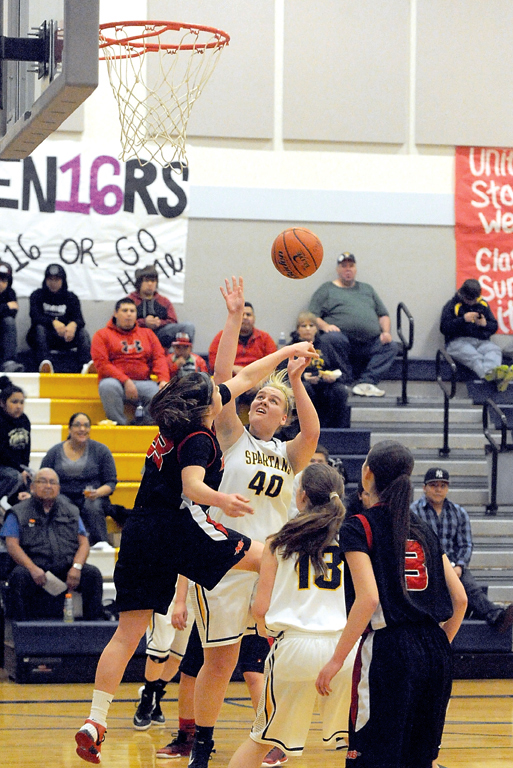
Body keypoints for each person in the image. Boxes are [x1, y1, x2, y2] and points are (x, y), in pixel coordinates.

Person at [75, 277, 318, 765]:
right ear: (209, 405)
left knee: (128, 633)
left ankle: (96, 717)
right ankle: (263, 626)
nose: (231, 393)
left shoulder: (176, 423)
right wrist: (221, 501)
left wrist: (243, 326)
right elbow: (192, 486)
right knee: (263, 566)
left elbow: (243, 377)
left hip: (142, 531)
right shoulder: (209, 436)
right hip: (189, 529)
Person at [185, 283, 320, 768]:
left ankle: (269, 741)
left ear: (282, 416)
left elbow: (313, 433)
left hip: (270, 569)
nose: (262, 400)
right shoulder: (231, 434)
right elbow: (223, 376)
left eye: (272, 400)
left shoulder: (288, 453)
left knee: (273, 660)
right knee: (219, 662)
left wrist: (296, 382)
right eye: (259, 396)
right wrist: (234, 318)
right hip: (225, 563)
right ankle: (202, 742)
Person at [315, 441, 467, 768]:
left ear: (367, 472)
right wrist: (435, 648)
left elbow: (368, 599)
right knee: (419, 760)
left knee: (372, 758)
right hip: (436, 650)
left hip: (391, 649)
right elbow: (461, 599)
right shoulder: (424, 528)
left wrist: (336, 660)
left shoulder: (360, 525)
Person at [228, 462, 355, 768]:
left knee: (261, 740)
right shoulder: (350, 539)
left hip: (294, 648)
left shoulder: (277, 540)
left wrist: (262, 628)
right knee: (359, 742)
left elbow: (261, 607)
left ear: (301, 497)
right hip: (343, 650)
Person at [411, 467, 513, 634]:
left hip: (453, 566)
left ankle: (497, 616)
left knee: (470, 586)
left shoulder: (458, 512)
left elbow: (466, 545)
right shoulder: (414, 512)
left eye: (443, 485)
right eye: (434, 485)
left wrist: (459, 566)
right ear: (424, 488)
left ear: (447, 488)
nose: (438, 489)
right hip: (425, 566)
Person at [0, 467, 103, 621]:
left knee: (92, 574)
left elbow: (84, 544)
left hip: (66, 568)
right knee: (18, 577)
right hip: (33, 569)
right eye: (42, 481)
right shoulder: (18, 512)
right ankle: (19, 632)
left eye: (52, 482)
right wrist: (32, 569)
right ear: (32, 487)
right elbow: (12, 545)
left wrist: (76, 567)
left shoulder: (72, 511)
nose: (48, 486)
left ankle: (93, 630)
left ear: (58, 488)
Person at [309, 252, 397, 397]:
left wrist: (386, 332)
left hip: (370, 342)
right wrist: (325, 326)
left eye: (351, 266)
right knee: (330, 338)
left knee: (391, 346)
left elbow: (383, 315)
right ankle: (346, 382)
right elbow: (311, 314)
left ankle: (366, 383)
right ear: (338, 270)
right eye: (344, 266)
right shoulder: (327, 289)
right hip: (342, 341)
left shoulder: (367, 289)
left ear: (355, 269)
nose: (347, 269)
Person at [40, 413, 117, 546]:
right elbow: (43, 477)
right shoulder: (54, 452)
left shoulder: (101, 450)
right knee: (61, 503)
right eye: (77, 425)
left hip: (94, 497)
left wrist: (97, 493)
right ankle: (63, 544)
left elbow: (111, 482)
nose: (82, 429)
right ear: (69, 429)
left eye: (86, 425)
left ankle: (100, 543)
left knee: (92, 505)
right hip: (63, 495)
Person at [90, 297, 170, 425]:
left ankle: (146, 423)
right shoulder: (102, 335)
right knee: (107, 386)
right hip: (115, 383)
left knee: (161, 392)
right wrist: (125, 380)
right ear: (115, 314)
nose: (128, 314)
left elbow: (159, 358)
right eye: (124, 310)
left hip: (143, 382)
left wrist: (163, 379)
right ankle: (120, 424)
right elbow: (102, 364)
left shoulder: (148, 334)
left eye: (132, 311)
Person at [282, 311, 349, 429]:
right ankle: (304, 428)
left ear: (316, 329)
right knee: (304, 388)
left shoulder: (326, 346)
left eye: (311, 325)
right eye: (303, 326)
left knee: (340, 391)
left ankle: (335, 430)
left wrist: (333, 377)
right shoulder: (291, 348)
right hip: (302, 384)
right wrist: (301, 377)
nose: (307, 329)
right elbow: (282, 374)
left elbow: (342, 371)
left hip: (325, 385)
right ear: (298, 330)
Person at [440, 278, 509, 390]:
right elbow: (444, 328)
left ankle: (493, 374)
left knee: (494, 350)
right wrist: (463, 319)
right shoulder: (452, 305)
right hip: (457, 342)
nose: (472, 302)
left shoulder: (483, 304)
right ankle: (492, 378)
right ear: (462, 295)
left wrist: (485, 324)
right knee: (473, 356)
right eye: (469, 299)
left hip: (481, 341)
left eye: (474, 299)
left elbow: (494, 326)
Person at [26, 263, 91, 374]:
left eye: (57, 279)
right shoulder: (37, 295)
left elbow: (80, 320)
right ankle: (45, 364)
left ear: (63, 280)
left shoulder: (71, 297)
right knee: (39, 328)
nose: (53, 283)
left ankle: (86, 365)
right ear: (45, 280)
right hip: (43, 337)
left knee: (83, 333)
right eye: (50, 279)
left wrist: (73, 324)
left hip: (65, 337)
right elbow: (35, 317)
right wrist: (53, 322)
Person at [128, 263, 195, 349]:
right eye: (146, 280)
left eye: (153, 281)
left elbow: (173, 322)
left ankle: (185, 358)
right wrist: (144, 322)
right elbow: (122, 323)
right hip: (137, 335)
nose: (150, 284)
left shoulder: (163, 301)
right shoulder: (130, 301)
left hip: (160, 335)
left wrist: (159, 323)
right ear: (139, 282)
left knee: (188, 326)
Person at [208, 301, 277, 374]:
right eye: (241, 314)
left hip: (258, 379)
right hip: (230, 379)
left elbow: (273, 364)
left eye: (248, 314)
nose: (245, 317)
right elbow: (214, 364)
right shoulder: (222, 337)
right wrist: (235, 370)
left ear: (254, 318)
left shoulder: (265, 338)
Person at [0, 376, 31, 509]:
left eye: (21, 402)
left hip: (16, 465)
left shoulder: (24, 420)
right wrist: (20, 469)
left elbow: (26, 448)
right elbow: (2, 452)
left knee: (35, 477)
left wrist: (25, 468)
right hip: (3, 464)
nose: (18, 406)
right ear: (2, 403)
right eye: (14, 402)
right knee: (15, 477)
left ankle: (20, 508)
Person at [0, 261, 23, 372]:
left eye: (4, 281)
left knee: (9, 322)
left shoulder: (10, 293)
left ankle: (9, 362)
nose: (0, 284)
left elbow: (12, 314)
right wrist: (6, 307)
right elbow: (10, 309)